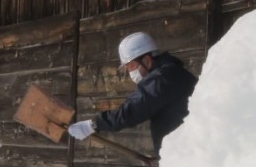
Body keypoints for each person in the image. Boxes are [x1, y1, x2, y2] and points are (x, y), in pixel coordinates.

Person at [68, 32, 198, 154]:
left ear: (146, 61)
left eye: (131, 66)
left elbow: (132, 110)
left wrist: (93, 125)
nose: (129, 72)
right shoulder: (170, 73)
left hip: (187, 153)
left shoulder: (161, 79)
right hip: (184, 151)